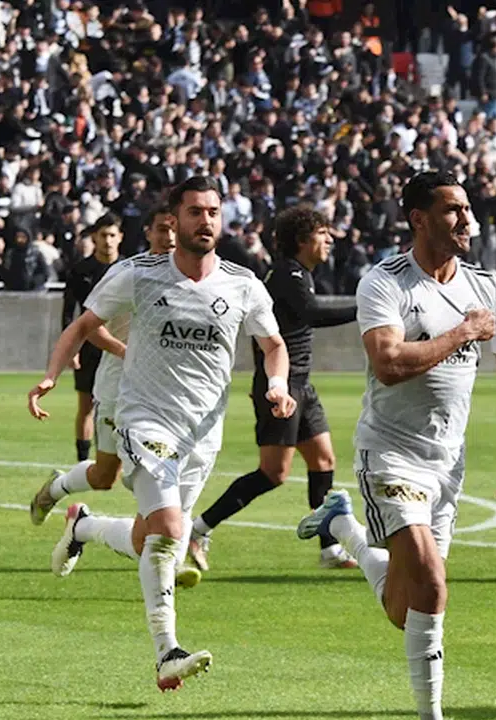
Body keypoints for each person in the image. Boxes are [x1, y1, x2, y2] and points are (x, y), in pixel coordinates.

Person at [26, 176, 297, 691]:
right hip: (144, 419)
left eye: (213, 211)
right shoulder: (139, 273)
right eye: (195, 211)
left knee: (148, 538)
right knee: (171, 530)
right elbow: (82, 326)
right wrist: (51, 376)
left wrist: (278, 385)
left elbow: (273, 345)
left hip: (203, 434)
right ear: (175, 219)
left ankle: (83, 526)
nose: (206, 220)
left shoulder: (242, 283)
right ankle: (167, 652)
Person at [295, 170, 496, 720]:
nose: (466, 220)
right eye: (453, 210)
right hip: (389, 453)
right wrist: (461, 334)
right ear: (419, 219)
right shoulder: (385, 283)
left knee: (407, 609)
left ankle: (344, 528)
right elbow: (388, 364)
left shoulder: (487, 289)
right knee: (431, 582)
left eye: (467, 208)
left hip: (447, 463)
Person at [187, 205, 359, 572]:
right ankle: (198, 528)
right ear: (302, 240)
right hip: (279, 386)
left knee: (323, 461)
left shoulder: (299, 274)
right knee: (273, 473)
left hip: (301, 384)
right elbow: (312, 313)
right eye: (322, 233)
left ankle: (329, 549)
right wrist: (365, 307)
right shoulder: (287, 274)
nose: (329, 240)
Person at [28, 208, 176, 524]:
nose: (171, 237)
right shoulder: (126, 272)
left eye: (176, 228)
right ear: (148, 232)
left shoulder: (195, 275)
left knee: (157, 472)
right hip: (118, 381)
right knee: (105, 476)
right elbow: (87, 326)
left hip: (162, 386)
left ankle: (175, 534)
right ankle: (59, 489)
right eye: (163, 229)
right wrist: (126, 352)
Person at [62, 213, 123, 463]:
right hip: (89, 346)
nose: (108, 241)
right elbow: (69, 312)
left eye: (112, 235)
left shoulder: (129, 269)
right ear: (94, 238)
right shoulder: (81, 271)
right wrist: (71, 348)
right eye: (103, 235)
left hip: (121, 346)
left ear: (120, 237)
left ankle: (117, 459)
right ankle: (83, 462)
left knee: (122, 406)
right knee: (86, 405)